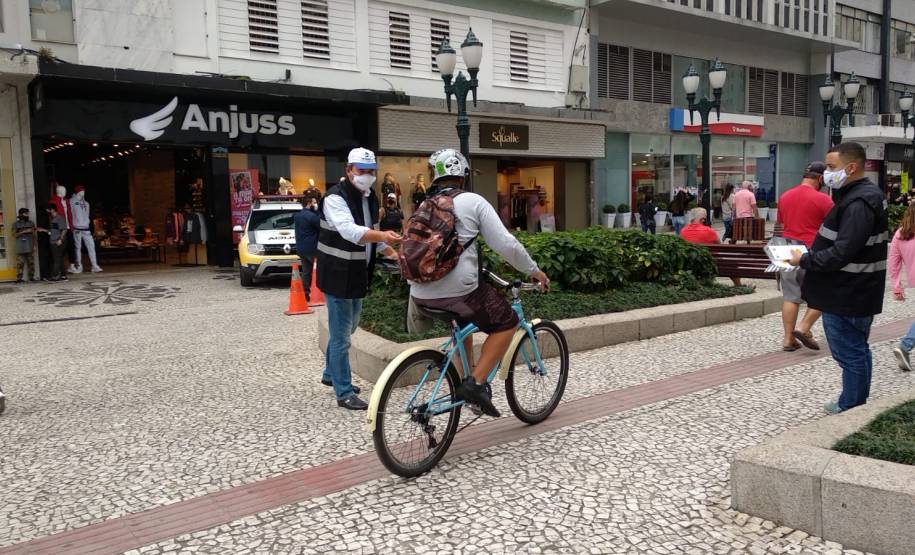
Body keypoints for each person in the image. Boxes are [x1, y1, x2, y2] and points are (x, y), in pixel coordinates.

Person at [410, 149, 549, 418]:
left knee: (464, 323)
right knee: (506, 321)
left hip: (420, 292)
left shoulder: (424, 205)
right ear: (463, 175)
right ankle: (474, 385)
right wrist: (535, 271)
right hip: (458, 291)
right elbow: (505, 244)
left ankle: (466, 383)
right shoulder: (473, 201)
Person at [788, 142, 888, 414]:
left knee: (850, 352)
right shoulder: (862, 196)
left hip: (847, 292)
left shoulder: (859, 201)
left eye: (831, 167)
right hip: (854, 290)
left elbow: (842, 251)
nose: (827, 174)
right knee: (858, 349)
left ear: (851, 167)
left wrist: (804, 259)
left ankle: (851, 405)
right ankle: (855, 402)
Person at [316, 147, 400, 411]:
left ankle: (330, 373)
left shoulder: (370, 197)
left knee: (350, 327)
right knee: (342, 337)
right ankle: (343, 391)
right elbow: (350, 231)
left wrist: (388, 250)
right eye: (361, 170)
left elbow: (371, 233)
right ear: (349, 170)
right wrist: (384, 237)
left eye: (371, 171)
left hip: (358, 274)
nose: (367, 175)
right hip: (337, 275)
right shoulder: (334, 198)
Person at [776, 162, 834, 352]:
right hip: (811, 249)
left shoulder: (785, 196)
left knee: (791, 296)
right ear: (820, 178)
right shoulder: (823, 199)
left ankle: (788, 339)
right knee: (824, 293)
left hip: (786, 248)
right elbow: (835, 227)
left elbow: (781, 224)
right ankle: (804, 327)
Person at [889, 203, 915, 372]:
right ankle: (905, 346)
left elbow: (893, 262)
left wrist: (897, 287)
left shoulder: (900, 234)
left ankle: (905, 346)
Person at [68, 185, 103, 274]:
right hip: (77, 228)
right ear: (77, 192)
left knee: (91, 246)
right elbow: (69, 214)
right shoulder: (71, 201)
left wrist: (87, 223)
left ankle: (94, 265)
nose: (83, 193)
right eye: (81, 191)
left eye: (83, 191)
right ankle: (79, 266)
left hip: (86, 228)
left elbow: (87, 215)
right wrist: (71, 226)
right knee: (77, 247)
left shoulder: (87, 203)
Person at [294, 193, 321, 301]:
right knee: (319, 271)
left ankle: (305, 293)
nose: (316, 204)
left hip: (301, 249)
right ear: (309, 203)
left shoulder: (298, 216)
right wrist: (317, 211)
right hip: (313, 248)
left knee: (306, 272)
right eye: (314, 203)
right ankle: (319, 293)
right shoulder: (312, 216)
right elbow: (321, 226)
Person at [44, 202, 69, 281]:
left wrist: (60, 240)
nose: (47, 211)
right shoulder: (53, 219)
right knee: (59, 258)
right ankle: (63, 275)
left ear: (52, 210)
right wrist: (43, 230)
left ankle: (55, 276)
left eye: (48, 209)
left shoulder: (59, 218)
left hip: (57, 242)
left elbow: (64, 230)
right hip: (54, 241)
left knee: (57, 259)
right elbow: (54, 231)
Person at [13, 208, 39, 283]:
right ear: (21, 214)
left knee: (31, 263)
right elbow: (14, 234)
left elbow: (34, 235)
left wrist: (34, 245)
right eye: (26, 213)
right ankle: (19, 279)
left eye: (28, 213)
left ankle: (31, 278)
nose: (27, 215)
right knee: (19, 264)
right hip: (20, 247)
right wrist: (24, 231)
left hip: (29, 246)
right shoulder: (15, 224)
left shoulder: (31, 223)